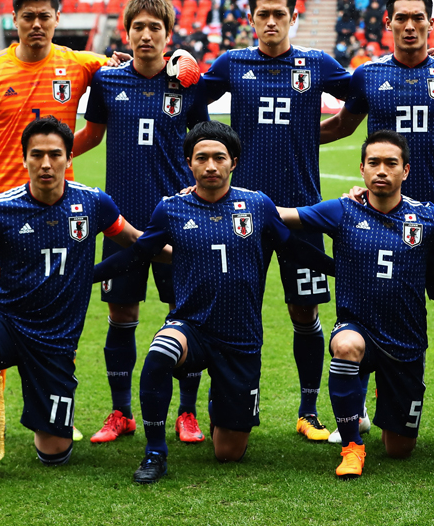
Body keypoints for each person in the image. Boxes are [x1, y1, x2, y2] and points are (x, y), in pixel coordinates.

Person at [92, 121, 334, 483]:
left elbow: (293, 249)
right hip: (192, 326)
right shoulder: (171, 208)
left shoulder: (257, 205)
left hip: (242, 336)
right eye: (201, 158)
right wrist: (85, 276)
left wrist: (341, 269)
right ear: (189, 162)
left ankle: (221, 402)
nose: (210, 166)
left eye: (218, 157)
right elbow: (138, 253)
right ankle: (155, 452)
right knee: (160, 353)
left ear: (233, 162)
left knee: (228, 453)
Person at [319, 0, 434, 444]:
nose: (410, 25)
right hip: (376, 222)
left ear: (431, 23)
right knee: (366, 314)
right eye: (401, 17)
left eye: (418, 17)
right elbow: (342, 127)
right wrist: (287, 137)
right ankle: (355, 411)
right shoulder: (368, 75)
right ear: (389, 23)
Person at [202, 0, 353, 442]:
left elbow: (361, 100)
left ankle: (308, 411)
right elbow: (188, 103)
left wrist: (317, 134)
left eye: (279, 14)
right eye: (263, 14)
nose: (271, 22)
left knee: (304, 311)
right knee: (227, 308)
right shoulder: (232, 63)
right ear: (250, 18)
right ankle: (224, 406)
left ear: (294, 16)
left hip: (300, 212)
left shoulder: (316, 64)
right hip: (238, 214)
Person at [0, 116, 141, 469]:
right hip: (8, 322)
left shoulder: (94, 202)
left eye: (55, 154)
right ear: (24, 159)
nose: (46, 163)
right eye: (37, 155)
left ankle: (47, 423)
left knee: (54, 454)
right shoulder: (0, 208)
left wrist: (188, 247)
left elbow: (134, 241)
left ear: (69, 159)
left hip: (56, 342)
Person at [277, 131, 434, 478]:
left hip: (406, 343)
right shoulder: (342, 210)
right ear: (363, 169)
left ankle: (392, 394)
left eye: (391, 163)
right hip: (358, 331)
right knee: (346, 345)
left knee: (399, 450)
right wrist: (225, 197)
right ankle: (352, 446)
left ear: (406, 171)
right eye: (374, 163)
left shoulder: (427, 218)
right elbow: (284, 215)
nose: (382, 170)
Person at [0, 0, 123, 312]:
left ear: (57, 18)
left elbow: (136, 67)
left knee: (58, 301)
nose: (36, 24)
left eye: (44, 16)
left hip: (58, 205)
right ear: (14, 20)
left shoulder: (82, 64)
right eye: (28, 17)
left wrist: (176, 56)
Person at [74, 0, 207, 445]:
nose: (146, 35)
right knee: (121, 316)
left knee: (183, 318)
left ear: (169, 36)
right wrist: (45, 159)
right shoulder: (107, 82)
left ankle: (186, 413)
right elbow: (91, 136)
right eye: (138, 28)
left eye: (155, 28)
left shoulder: (188, 84)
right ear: (126, 34)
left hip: (177, 223)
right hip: (119, 223)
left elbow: (203, 145)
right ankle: (120, 412)